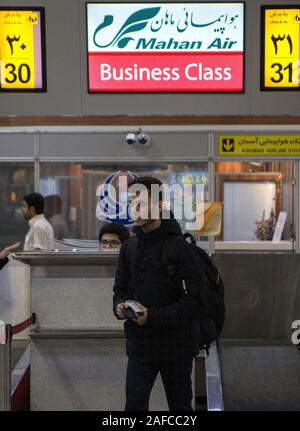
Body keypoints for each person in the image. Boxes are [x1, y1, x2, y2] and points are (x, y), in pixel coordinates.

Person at [113, 176, 209, 411]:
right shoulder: (129, 248)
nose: (135, 207)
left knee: (180, 408)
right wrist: (119, 306)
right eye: (132, 200)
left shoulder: (180, 248)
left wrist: (152, 317)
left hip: (176, 348)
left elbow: (195, 302)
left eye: (141, 201)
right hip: (140, 347)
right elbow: (120, 289)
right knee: (134, 407)